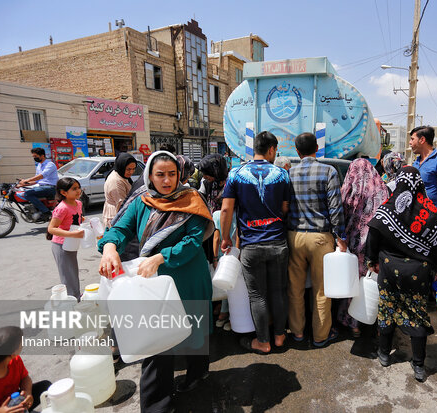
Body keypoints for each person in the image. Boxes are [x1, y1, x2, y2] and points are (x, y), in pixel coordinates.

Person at [98, 151, 215, 411]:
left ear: (179, 175)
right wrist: (109, 248)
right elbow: (119, 229)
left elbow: (193, 242)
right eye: (160, 174)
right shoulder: (142, 200)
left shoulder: (192, 199)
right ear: (149, 175)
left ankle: (198, 374)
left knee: (195, 330)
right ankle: (157, 406)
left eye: (172, 174)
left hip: (187, 276)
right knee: (158, 341)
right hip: (155, 281)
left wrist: (160, 257)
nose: (166, 180)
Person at [366, 166, 437, 382]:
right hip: (418, 273)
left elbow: (373, 233)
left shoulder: (388, 208)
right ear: (420, 184)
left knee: (387, 310)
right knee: (416, 314)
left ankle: (384, 355)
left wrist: (371, 260)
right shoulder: (430, 211)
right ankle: (419, 366)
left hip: (388, 269)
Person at [220, 131, 291, 353]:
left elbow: (225, 209)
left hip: (251, 245)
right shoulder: (282, 174)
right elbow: (286, 208)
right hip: (278, 242)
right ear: (271, 149)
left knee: (257, 295)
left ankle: (263, 341)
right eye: (275, 150)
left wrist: (225, 238)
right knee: (279, 292)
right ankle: (279, 336)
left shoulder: (236, 173)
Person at [287, 132, 347, 347]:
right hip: (321, 238)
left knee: (295, 288)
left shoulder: (289, 173)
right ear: (317, 149)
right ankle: (321, 336)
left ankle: (297, 333)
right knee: (322, 290)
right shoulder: (328, 171)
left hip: (294, 236)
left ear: (297, 151)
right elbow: (335, 208)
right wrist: (341, 237)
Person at [337, 159, 389, 337]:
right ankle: (372, 319)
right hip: (376, 243)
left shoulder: (352, 187)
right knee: (371, 280)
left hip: (355, 242)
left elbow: (342, 208)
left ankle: (352, 323)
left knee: (354, 281)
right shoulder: (382, 188)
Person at [0, 326, 51, 412]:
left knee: (45, 385)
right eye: (21, 343)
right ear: (12, 353)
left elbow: (25, 378)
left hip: (16, 403)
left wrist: (27, 393)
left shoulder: (15, 360)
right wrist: (0, 411)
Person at [47, 177, 85, 300]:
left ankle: (75, 296)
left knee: (73, 272)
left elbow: (76, 218)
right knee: (68, 275)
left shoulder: (78, 203)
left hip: (72, 243)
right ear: (63, 193)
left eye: (78, 187)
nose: (78, 191)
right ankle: (72, 299)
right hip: (61, 245)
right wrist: (73, 234)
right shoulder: (62, 208)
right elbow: (51, 229)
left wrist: (85, 222)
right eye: (74, 189)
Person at [410, 126, 437, 222]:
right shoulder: (416, 161)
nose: (410, 142)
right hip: (415, 216)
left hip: (431, 218)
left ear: (422, 140)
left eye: (412, 139)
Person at [19, 148, 58, 221]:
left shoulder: (50, 164)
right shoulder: (39, 166)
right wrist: (23, 184)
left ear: (42, 156)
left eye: (36, 156)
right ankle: (34, 210)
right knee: (19, 194)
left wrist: (27, 179)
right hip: (41, 187)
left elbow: (42, 175)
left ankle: (46, 212)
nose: (34, 158)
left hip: (50, 188)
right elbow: (37, 181)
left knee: (28, 194)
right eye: (33, 157)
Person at [102, 153, 137, 228]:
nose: (131, 172)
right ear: (121, 166)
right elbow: (121, 205)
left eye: (133, 169)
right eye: (128, 169)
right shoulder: (116, 181)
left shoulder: (121, 175)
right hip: (115, 216)